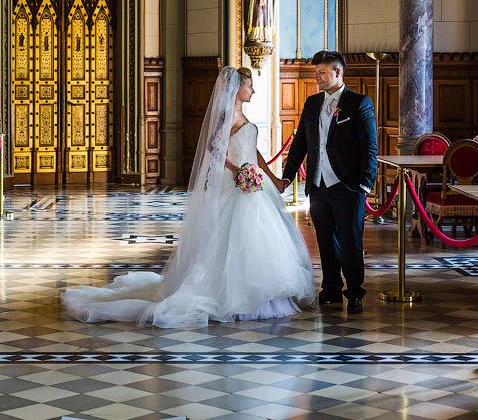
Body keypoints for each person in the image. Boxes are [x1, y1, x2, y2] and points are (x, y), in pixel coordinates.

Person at [62, 66, 315, 328]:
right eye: (249, 86)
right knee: (234, 241)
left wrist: (272, 178)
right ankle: (231, 297)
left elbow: (252, 151)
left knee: (262, 239)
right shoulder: (228, 115)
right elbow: (213, 149)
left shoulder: (243, 116)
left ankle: (264, 297)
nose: (253, 90)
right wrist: (238, 171)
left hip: (253, 185)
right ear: (237, 89)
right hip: (236, 186)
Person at [278, 50, 378, 314]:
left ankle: (355, 291)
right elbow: (300, 143)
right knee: (325, 239)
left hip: (348, 186)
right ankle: (331, 289)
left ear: (338, 72)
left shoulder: (359, 103)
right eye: (316, 73)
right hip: (318, 185)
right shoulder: (312, 103)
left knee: (350, 241)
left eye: (321, 73)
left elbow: (369, 146)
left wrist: (365, 184)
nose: (317, 78)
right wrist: (288, 176)